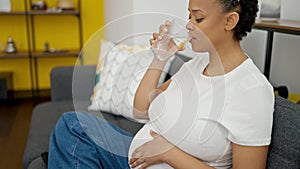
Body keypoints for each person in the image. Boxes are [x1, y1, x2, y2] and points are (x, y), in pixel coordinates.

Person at [48, 0, 274, 169]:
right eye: (189, 17)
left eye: (198, 18)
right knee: (73, 124)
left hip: (160, 160)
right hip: (138, 156)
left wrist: (169, 153)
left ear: (230, 21)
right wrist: (160, 58)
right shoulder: (197, 65)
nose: (188, 26)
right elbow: (141, 109)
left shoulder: (252, 91)